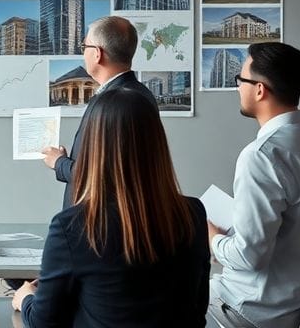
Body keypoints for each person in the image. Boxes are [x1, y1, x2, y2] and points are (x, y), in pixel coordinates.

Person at [12, 89, 210, 327]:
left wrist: (25, 299)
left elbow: (43, 322)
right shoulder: (193, 214)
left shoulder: (72, 226)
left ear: (93, 148)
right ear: (157, 143)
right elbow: (197, 308)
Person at [208, 42, 300, 328]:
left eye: (240, 80)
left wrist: (210, 236)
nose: (238, 88)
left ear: (260, 90)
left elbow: (247, 258)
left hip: (250, 311)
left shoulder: (262, 156)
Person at [41, 15, 157, 208]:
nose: (83, 54)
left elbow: (101, 177)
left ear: (97, 54)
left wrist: (59, 163)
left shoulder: (116, 101)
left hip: (98, 225)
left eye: (84, 47)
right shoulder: (138, 93)